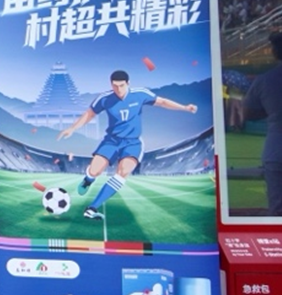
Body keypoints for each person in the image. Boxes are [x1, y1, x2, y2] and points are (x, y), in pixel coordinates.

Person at [57, 70, 197, 220]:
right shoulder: (105, 98)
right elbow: (90, 113)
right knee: (95, 170)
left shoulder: (140, 94)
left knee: (122, 172)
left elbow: (162, 102)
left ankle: (92, 208)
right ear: (111, 84)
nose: (118, 89)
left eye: (122, 85)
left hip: (132, 143)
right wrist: (72, 128)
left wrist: (184, 107)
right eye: (115, 86)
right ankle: (88, 180)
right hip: (111, 141)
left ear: (128, 83)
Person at [241, 31, 282, 216]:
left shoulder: (265, 80)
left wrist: (272, 110)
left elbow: (248, 113)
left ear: (274, 52)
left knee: (278, 210)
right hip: (276, 149)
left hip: (276, 150)